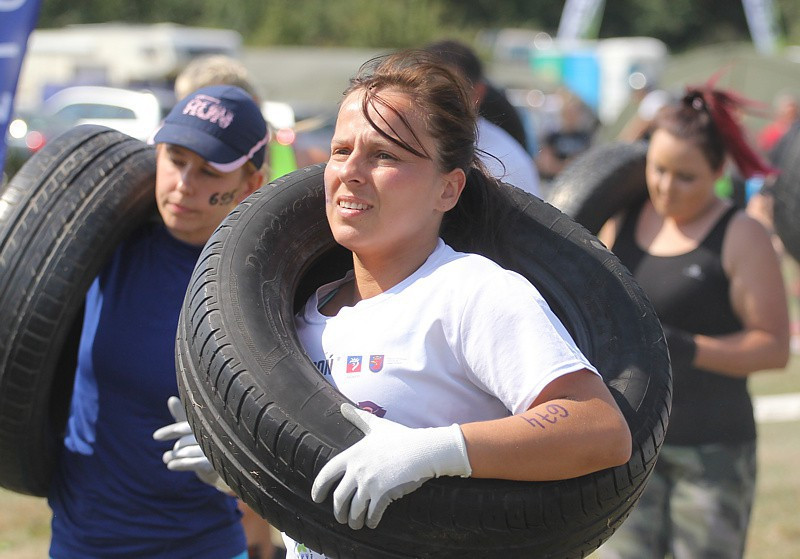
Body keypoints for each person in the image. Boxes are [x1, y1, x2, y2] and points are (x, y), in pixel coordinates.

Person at [164, 50, 633, 559]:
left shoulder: (471, 292)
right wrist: (248, 468)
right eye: (341, 150)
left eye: (385, 156)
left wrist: (436, 451)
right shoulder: (301, 316)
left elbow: (598, 429)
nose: (352, 172)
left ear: (448, 189)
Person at [47, 84, 267, 559]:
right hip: (80, 540)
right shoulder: (101, 245)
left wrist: (233, 468)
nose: (184, 183)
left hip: (198, 545)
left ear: (250, 184)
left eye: (208, 171)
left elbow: (284, 448)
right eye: (174, 159)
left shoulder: (259, 289)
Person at [596, 85, 790, 559]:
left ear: (718, 173)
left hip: (712, 448)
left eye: (686, 177)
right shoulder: (619, 221)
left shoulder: (741, 234)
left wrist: (688, 348)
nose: (666, 186)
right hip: (629, 447)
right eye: (658, 169)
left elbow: (774, 347)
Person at [422, 39, 542, 198]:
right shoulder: (410, 139)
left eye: (447, 90)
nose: (431, 98)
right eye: (424, 86)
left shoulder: (501, 163)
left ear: (477, 92)